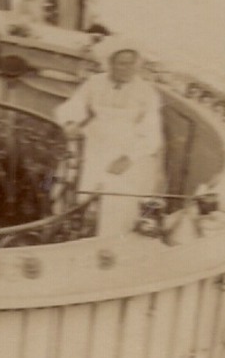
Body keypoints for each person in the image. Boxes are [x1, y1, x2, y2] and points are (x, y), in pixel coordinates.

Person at [54, 39, 163, 237]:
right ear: (110, 64)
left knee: (115, 201)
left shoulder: (147, 93)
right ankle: (70, 228)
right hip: (94, 143)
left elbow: (151, 135)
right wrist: (70, 122)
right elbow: (74, 105)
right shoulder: (95, 83)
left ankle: (108, 238)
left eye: (132, 63)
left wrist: (128, 158)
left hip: (126, 150)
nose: (127, 68)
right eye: (121, 63)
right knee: (73, 182)